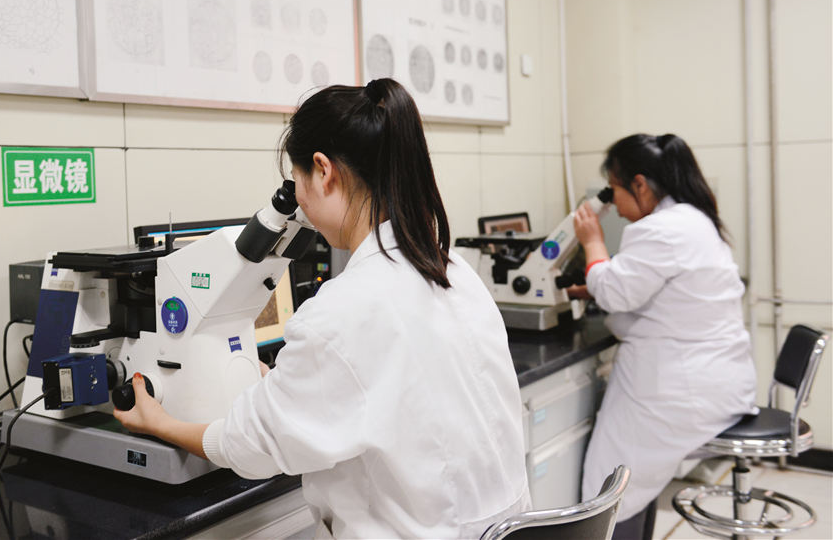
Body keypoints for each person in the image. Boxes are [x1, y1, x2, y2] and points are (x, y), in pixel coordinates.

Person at [113, 78, 530, 538]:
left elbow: (252, 449)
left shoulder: (345, 309)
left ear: (323, 170)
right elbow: (396, 387)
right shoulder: (454, 272)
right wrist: (289, 382)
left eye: (297, 183)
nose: (300, 203)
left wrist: (160, 422)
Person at [572, 133, 757, 540]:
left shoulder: (659, 229)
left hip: (681, 390)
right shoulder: (694, 219)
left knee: (610, 477)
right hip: (717, 381)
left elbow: (616, 292)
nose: (615, 206)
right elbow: (656, 290)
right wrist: (600, 281)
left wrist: (592, 242)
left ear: (639, 184)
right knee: (634, 478)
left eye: (614, 190)